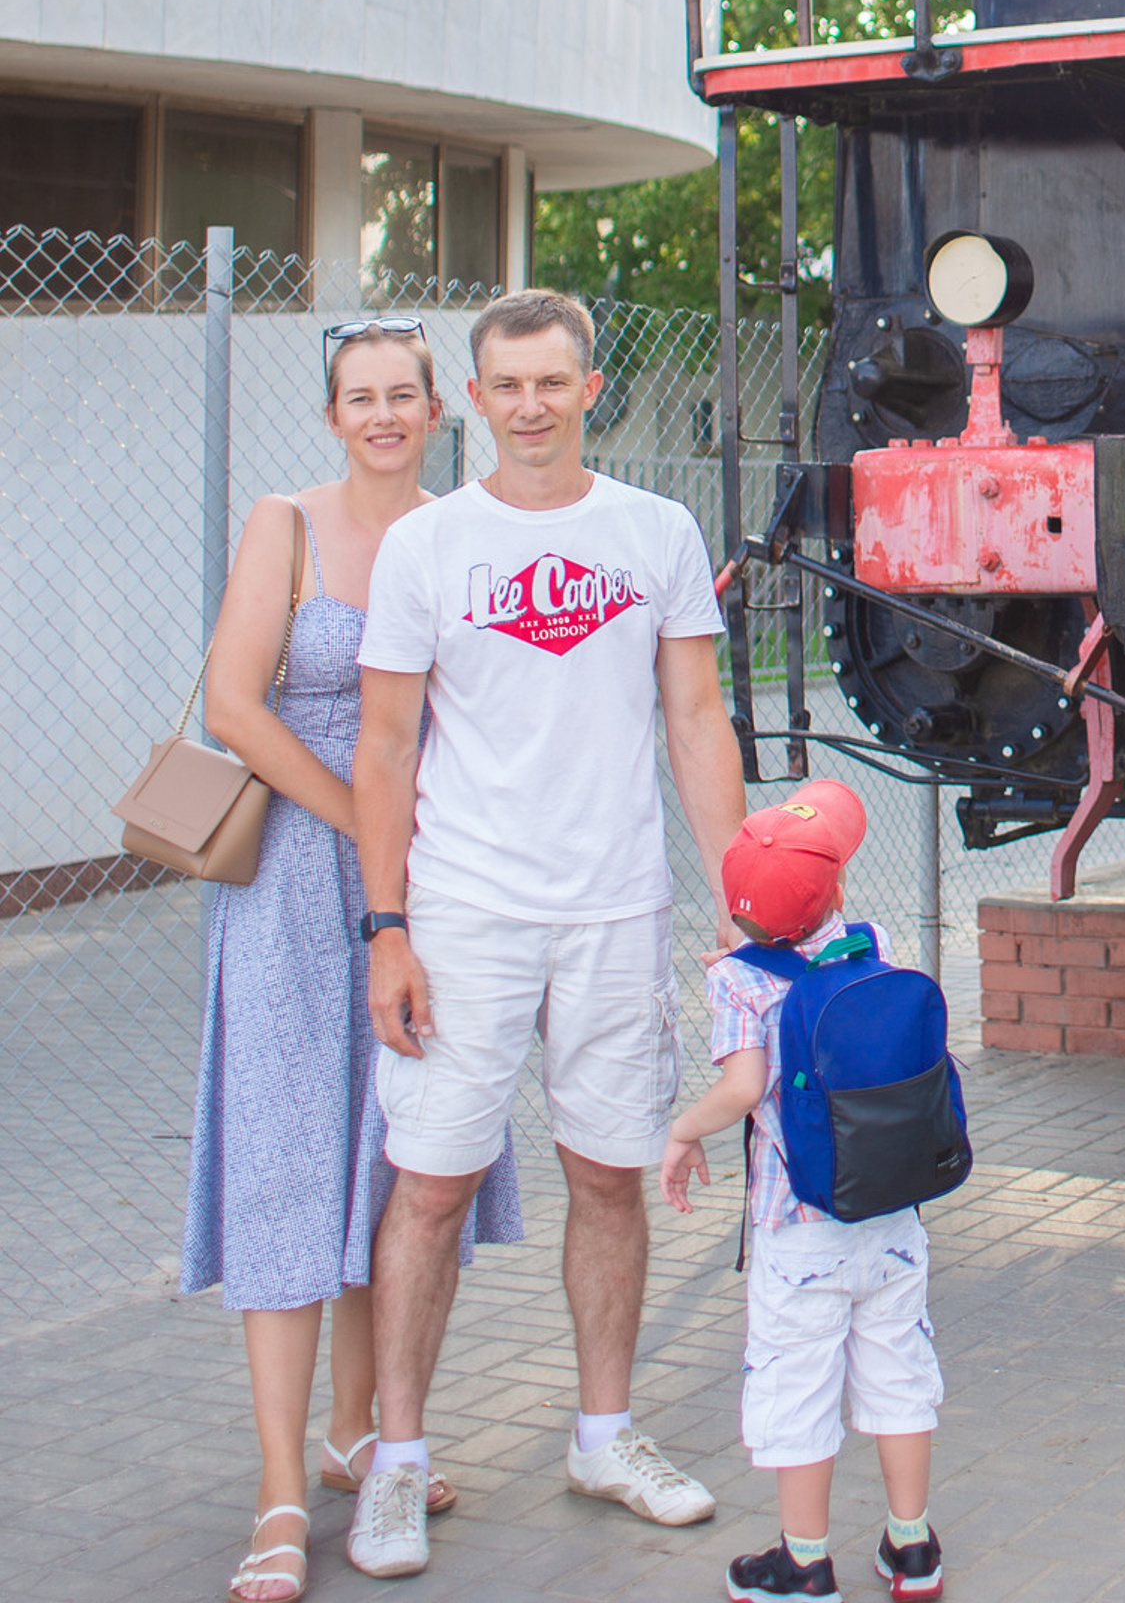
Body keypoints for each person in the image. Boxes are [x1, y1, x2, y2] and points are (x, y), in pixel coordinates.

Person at [345, 288, 750, 1581]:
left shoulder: (657, 531)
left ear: (587, 387)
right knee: (430, 1191)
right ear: (475, 399)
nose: (529, 404)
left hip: (615, 907)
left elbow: (696, 721)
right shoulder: (427, 547)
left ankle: (604, 1435)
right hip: (462, 916)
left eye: (551, 382)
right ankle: (395, 1465)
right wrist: (387, 928)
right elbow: (387, 742)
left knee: (607, 1178)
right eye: (505, 384)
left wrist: (747, 906)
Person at [182, 320, 524, 1603]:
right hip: (293, 878)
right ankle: (278, 1491)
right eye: (360, 396)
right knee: (283, 1163)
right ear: (333, 413)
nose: (384, 413)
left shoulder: (463, 528)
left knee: (394, 1164)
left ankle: (360, 1431)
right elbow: (232, 702)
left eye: (404, 393)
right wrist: (357, 819)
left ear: (442, 406)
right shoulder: (288, 522)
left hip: (428, 885)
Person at [661, 782, 947, 1603]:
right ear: (838, 894)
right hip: (890, 1215)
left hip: (799, 1232)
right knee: (898, 1372)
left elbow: (744, 1089)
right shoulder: (874, 943)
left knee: (800, 1384)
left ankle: (805, 1561)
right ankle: (911, 1547)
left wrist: (684, 1131)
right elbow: (816, 955)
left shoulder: (739, 985)